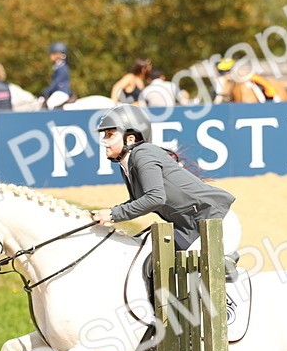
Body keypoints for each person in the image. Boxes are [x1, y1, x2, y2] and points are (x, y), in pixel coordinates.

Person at [89, 104, 242, 263]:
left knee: (186, 271)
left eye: (110, 135)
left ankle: (227, 267)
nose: (104, 141)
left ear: (130, 138)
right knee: (150, 257)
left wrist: (113, 214)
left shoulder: (142, 153)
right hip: (190, 229)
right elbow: (138, 201)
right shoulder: (127, 164)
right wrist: (107, 213)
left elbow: (155, 198)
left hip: (215, 223)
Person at [216, 57, 282, 102]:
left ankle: (272, 96)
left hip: (261, 84)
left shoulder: (247, 76)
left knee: (256, 79)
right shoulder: (223, 77)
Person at [40, 42, 75, 109]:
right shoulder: (57, 67)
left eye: (52, 54)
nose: (50, 56)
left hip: (62, 91)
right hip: (57, 91)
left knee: (51, 103)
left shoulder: (63, 68)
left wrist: (46, 91)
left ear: (58, 55)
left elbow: (56, 82)